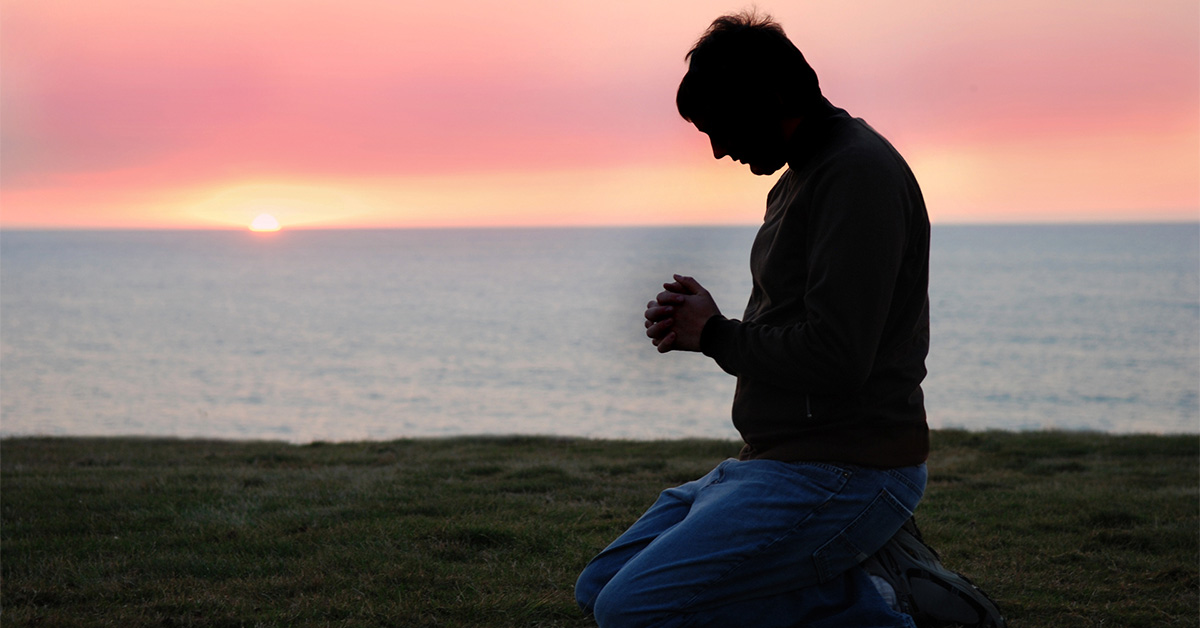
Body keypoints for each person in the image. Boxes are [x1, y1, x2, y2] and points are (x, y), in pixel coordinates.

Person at [574, 11, 1006, 628]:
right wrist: (709, 323)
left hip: (847, 468)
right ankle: (847, 569)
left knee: (631, 610)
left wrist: (716, 334)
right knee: (599, 587)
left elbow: (837, 357)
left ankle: (888, 606)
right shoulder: (802, 177)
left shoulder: (856, 175)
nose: (719, 148)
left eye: (720, 126)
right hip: (777, 459)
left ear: (772, 98)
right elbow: (796, 327)